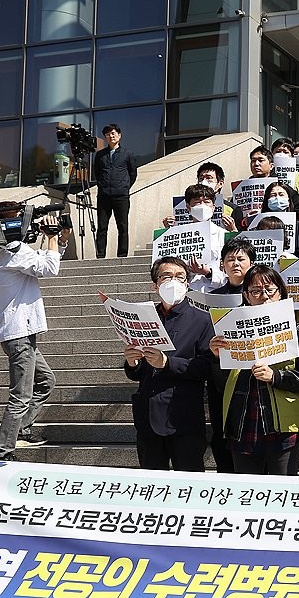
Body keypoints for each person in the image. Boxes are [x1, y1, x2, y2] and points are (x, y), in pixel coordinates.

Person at [211, 266, 299, 474]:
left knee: (284, 493)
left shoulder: (296, 330)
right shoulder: (231, 328)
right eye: (256, 291)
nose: (264, 296)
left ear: (281, 293)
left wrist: (275, 376)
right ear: (246, 296)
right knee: (247, 496)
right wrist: (216, 358)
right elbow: (218, 384)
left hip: (282, 428)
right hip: (242, 424)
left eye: (270, 289)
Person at [0, 201, 71, 460]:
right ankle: (3, 452)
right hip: (19, 335)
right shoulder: (13, 251)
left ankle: (22, 430)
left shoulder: (10, 251)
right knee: (20, 395)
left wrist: (59, 239)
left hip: (21, 333)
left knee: (46, 381)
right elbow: (49, 268)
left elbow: (39, 260)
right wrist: (50, 237)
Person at [124, 257, 213, 471]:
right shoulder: (143, 318)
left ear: (187, 284)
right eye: (166, 277)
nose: (173, 281)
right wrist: (132, 363)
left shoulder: (202, 320)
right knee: (152, 485)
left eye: (180, 277)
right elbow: (136, 373)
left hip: (183, 417)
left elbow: (207, 367)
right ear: (155, 285)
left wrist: (167, 363)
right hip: (148, 418)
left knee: (189, 483)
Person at [202, 237, 256, 474]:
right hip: (222, 372)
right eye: (230, 259)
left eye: (241, 258)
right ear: (222, 264)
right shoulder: (213, 297)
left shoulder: (261, 293)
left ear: (251, 262)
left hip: (255, 369)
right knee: (221, 428)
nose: (235, 263)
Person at [92, 123, 137, 258]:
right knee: (102, 227)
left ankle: (122, 255)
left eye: (113, 133)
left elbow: (133, 173)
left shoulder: (127, 154)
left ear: (119, 135)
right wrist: (103, 185)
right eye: (107, 134)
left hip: (121, 196)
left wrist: (124, 186)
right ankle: (100, 255)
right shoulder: (100, 155)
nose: (111, 136)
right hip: (104, 196)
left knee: (122, 226)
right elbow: (97, 173)